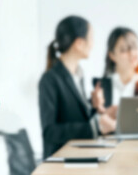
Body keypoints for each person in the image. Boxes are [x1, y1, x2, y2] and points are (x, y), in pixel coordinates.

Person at [39, 15, 116, 159]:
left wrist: (97, 109)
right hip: (60, 162)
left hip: (79, 155)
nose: (93, 44)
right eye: (91, 38)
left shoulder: (78, 75)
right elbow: (49, 132)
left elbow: (74, 120)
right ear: (79, 43)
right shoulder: (50, 79)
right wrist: (95, 126)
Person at [91, 27, 138, 118]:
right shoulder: (100, 87)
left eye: (135, 47)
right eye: (124, 49)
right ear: (112, 55)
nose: (132, 53)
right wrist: (98, 110)